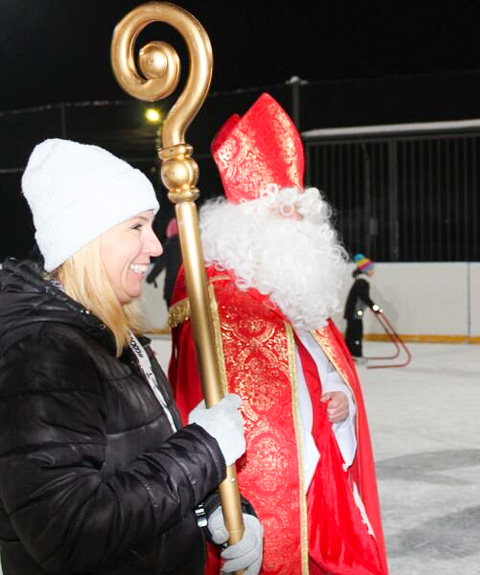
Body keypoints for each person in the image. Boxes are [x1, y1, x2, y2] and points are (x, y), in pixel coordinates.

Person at [0, 139, 261, 575]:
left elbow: (144, 460)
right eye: (136, 227)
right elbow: (71, 532)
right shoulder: (44, 355)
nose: (157, 247)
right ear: (86, 236)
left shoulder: (115, 336)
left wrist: (218, 504)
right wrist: (206, 448)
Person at [168, 93, 387, 575]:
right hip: (253, 501)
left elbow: (326, 365)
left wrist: (339, 397)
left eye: (300, 211)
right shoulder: (215, 297)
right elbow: (192, 396)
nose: (300, 225)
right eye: (284, 211)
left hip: (322, 488)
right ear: (247, 224)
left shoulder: (295, 290)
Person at [344, 253, 379, 360]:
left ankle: (349, 354)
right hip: (354, 312)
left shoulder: (360, 281)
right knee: (356, 333)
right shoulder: (362, 282)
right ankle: (355, 354)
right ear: (365, 270)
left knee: (352, 332)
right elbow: (364, 297)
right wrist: (374, 307)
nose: (373, 271)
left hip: (353, 312)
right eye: (371, 269)